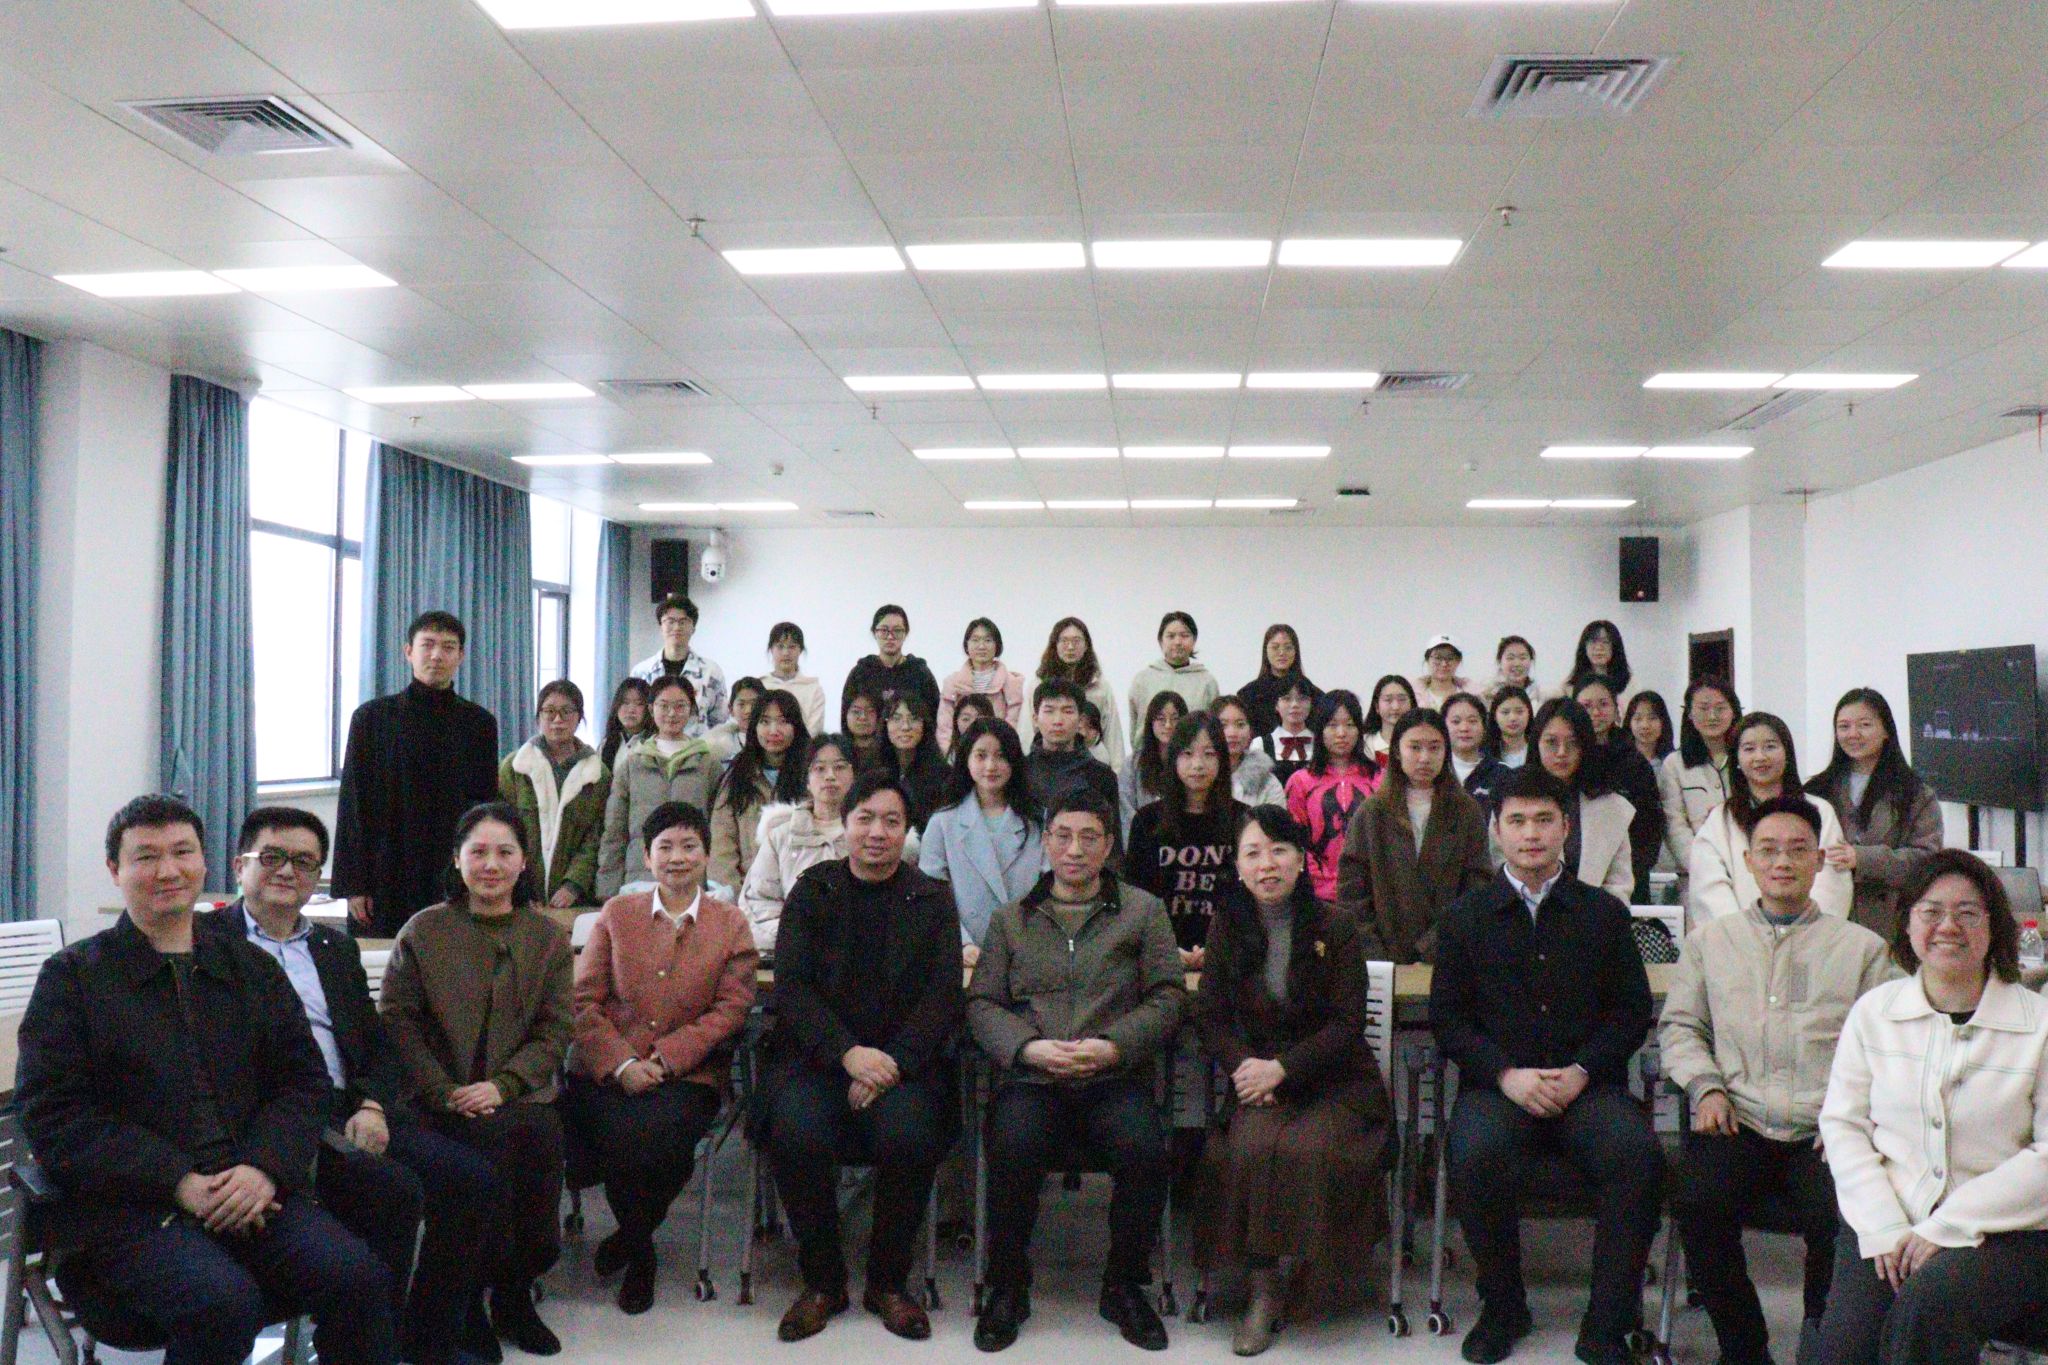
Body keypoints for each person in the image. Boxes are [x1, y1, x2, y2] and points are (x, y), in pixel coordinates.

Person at [17, 796, 398, 1365]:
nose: (168, 870)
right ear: (115, 870)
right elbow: (55, 1117)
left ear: (205, 861)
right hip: (130, 1208)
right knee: (222, 1304)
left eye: (182, 852)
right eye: (146, 857)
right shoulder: (73, 979)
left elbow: (303, 1084)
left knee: (357, 1277)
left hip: (251, 1190)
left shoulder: (250, 968)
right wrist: (177, 1180)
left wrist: (263, 1168)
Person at [214, 807, 499, 1365]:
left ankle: (431, 1336)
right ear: (239, 866)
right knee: (392, 1192)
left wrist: (371, 1102)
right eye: (271, 857)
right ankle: (365, 1345)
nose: (286, 871)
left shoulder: (334, 947)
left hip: (349, 1106)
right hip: (276, 1117)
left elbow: (375, 1043)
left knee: (472, 1180)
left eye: (304, 862)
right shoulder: (207, 945)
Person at [1431, 766, 1661, 1365]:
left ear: (1565, 828)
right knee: (1473, 1153)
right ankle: (1504, 1308)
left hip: (1588, 1085)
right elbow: (1449, 1019)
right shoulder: (1465, 917)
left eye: (1543, 820)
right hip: (1499, 1086)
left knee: (1636, 1154)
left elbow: (1631, 1011)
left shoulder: (1603, 913)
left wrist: (1582, 1070)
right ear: (1496, 831)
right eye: (1516, 821)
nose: (1530, 833)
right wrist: (1506, 1075)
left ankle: (1607, 1324)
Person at [1658, 796, 1895, 1365]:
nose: (1782, 862)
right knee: (1698, 1205)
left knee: (1841, 1217)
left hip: (1825, 1127)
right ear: (1748, 862)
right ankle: (1744, 1347)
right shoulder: (1710, 943)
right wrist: (1705, 1086)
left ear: (1819, 860)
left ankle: (1822, 1343)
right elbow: (1681, 1027)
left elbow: (1889, 1049)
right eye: (1768, 850)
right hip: (1737, 1116)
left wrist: (1853, 1116)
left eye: (1797, 850)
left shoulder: (1862, 949)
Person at [967, 792, 1185, 1355]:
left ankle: (1124, 1284)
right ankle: (1008, 1285)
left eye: (1090, 837)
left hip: (1112, 1076)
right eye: (1063, 835)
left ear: (1109, 846)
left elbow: (1168, 996)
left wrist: (1114, 1046)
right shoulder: (1011, 919)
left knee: (1145, 1149)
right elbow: (982, 1003)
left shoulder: (1143, 912)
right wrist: (1027, 1048)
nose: (1075, 849)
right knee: (1011, 1144)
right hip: (1033, 1078)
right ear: (1046, 842)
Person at [1816, 849, 2048, 1365]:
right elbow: (1843, 1125)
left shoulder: (2039, 1023)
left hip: (2009, 1231)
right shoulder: (1875, 1013)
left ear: (1994, 925)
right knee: (1846, 1349)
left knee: (1931, 1306)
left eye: (1967, 913)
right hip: (1889, 1219)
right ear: (1907, 924)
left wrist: (1945, 1227)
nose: (1949, 926)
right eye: (1931, 912)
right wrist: (1885, 1226)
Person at [755, 773, 964, 1344]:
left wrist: (888, 1064)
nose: (877, 832)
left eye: (891, 821)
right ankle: (823, 1282)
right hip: (819, 1059)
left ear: (907, 831)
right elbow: (792, 988)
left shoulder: (932, 899)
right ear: (844, 824)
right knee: (795, 1130)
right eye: (865, 819)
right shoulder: (813, 890)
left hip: (903, 1066)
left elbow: (943, 997)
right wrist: (848, 1055)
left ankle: (887, 1283)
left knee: (911, 1134)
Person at [1195, 806, 1392, 1356]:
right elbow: (1210, 1017)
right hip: (1257, 1080)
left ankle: (1313, 1270)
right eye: (1253, 853)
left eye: (1279, 850)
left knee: (1311, 1148)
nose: (1267, 864)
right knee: (1250, 1147)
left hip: (1335, 1081)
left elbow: (1347, 1024)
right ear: (1237, 866)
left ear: (1301, 860)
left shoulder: (1336, 926)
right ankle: (1263, 1291)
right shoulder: (1227, 927)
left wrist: (1284, 1068)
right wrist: (1246, 1069)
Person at [379, 803, 573, 1357]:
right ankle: (466, 1301)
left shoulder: (547, 936)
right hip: (435, 1098)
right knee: (483, 1153)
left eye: (504, 852)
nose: (491, 865)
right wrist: (443, 1091)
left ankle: (514, 1293)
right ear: (458, 860)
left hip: (520, 1095)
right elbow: (398, 1021)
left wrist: (504, 1085)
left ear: (523, 862)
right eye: (478, 852)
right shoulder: (424, 930)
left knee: (536, 1142)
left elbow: (556, 1028)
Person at [566, 800, 757, 1314]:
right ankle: (641, 1246)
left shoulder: (731, 924)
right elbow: (583, 1001)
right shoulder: (617, 914)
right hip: (606, 1070)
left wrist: (667, 1059)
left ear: (706, 855)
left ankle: (631, 1241)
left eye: (689, 846)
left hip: (688, 1076)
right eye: (665, 847)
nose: (677, 857)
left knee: (662, 1140)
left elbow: (731, 1009)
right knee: (612, 1132)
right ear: (647, 858)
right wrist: (624, 1063)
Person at [334, 610, 499, 938]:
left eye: (448, 647)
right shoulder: (371, 719)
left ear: (461, 656)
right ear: (408, 651)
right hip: (384, 874)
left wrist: (482, 874)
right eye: (428, 645)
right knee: (383, 963)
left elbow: (484, 809)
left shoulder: (479, 724)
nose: (437, 655)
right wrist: (355, 885)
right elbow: (353, 804)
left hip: (452, 873)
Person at [1337, 709, 1494, 964]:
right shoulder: (1373, 811)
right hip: (1384, 958)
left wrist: (1435, 945)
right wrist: (1375, 953)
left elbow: (1477, 886)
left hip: (1448, 954)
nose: (1424, 758)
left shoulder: (1466, 810)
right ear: (1397, 751)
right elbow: (1352, 888)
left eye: (1434, 748)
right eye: (1415, 747)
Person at [1805, 687, 1945, 941]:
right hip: (1825, 920)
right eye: (1844, 726)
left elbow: (1928, 861)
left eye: (1865, 725)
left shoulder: (1915, 793)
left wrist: (1863, 858)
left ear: (1886, 731)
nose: (1853, 734)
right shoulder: (1817, 790)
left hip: (1889, 924)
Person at [1690, 712, 1852, 924]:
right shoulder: (1720, 819)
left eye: (1770, 746)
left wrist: (1806, 931)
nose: (1760, 757)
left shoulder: (1820, 811)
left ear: (1787, 753)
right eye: (1749, 749)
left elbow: (1831, 881)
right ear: (1736, 758)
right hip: (1740, 937)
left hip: (1809, 936)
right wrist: (1744, 934)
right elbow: (1709, 887)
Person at [1126, 712, 1249, 965]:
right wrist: (1166, 950)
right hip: (1158, 955)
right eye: (1187, 753)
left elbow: (1248, 900)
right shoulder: (1147, 821)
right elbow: (1136, 900)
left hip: (1229, 956)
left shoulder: (1244, 820)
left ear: (1222, 759)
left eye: (1209, 754)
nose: (1198, 764)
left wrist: (1220, 950)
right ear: (1173, 758)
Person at [919, 717, 1045, 957]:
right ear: (965, 759)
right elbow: (932, 895)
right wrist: (963, 943)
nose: (991, 766)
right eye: (981, 755)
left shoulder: (1038, 821)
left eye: (1001, 756)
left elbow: (1049, 888)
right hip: (965, 952)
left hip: (1027, 949)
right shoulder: (942, 823)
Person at [596, 676, 718, 899]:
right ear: (651, 709)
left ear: (692, 710)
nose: (672, 714)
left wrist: (716, 885)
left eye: (680, 706)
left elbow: (717, 830)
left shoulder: (708, 763)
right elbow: (614, 831)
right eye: (664, 706)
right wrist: (608, 890)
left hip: (692, 881)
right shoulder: (632, 764)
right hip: (639, 881)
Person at [740, 733, 856, 951]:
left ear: (855, 775)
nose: (830, 776)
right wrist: (798, 936)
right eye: (819, 768)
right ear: (807, 781)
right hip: (793, 952)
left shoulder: (868, 836)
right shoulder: (780, 837)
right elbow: (758, 904)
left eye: (840, 767)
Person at [499, 680, 608, 909]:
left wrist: (573, 885)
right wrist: (521, 886)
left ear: (579, 717)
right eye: (549, 711)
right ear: (538, 717)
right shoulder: (515, 768)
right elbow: (503, 831)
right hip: (520, 893)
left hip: (576, 898)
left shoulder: (598, 774)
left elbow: (596, 837)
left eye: (566, 711)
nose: (558, 720)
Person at [1530, 697, 1635, 900]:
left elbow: (1619, 884)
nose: (1561, 752)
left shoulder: (1612, 807)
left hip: (1596, 915)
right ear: (1536, 743)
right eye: (1551, 742)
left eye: (1572, 743)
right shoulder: (1514, 802)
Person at [708, 689, 809, 893]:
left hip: (803, 891)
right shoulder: (737, 776)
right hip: (749, 893)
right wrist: (735, 896)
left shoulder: (812, 774)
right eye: (765, 722)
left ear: (796, 727)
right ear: (754, 727)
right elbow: (722, 844)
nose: (773, 731)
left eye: (783, 721)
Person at [1575, 676, 1666, 900]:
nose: (1595, 712)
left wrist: (1632, 867)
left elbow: (1650, 825)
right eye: (1587, 706)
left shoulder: (1634, 762)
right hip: (1575, 873)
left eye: (1603, 704)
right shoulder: (1568, 758)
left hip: (1628, 876)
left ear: (1617, 709)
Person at [1285, 690, 1379, 903]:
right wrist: (1324, 886)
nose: (1341, 733)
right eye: (1332, 725)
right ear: (1320, 730)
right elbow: (1296, 841)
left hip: (1370, 893)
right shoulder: (1300, 781)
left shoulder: (1379, 778)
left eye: (1350, 725)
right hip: (1316, 896)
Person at [1658, 678, 1739, 886]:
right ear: (1689, 714)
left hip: (1746, 870)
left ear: (1733, 711)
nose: (1712, 716)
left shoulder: (1745, 757)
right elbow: (1674, 825)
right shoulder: (1675, 764)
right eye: (1703, 708)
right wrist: (1705, 867)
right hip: (1695, 876)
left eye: (1720, 708)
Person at [1026, 679, 1122, 843]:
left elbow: (1111, 842)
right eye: (1049, 711)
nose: (1058, 720)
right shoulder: (1020, 771)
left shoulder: (1101, 776)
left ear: (1080, 720)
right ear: (1035, 719)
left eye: (1068, 711)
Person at [1026, 616, 1126, 764]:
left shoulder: (1100, 687)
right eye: (1064, 641)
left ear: (1086, 646)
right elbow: (1027, 731)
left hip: (1091, 765)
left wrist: (1118, 771)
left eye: (1077, 641)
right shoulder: (1038, 684)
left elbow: (1113, 734)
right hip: (1046, 765)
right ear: (1054, 645)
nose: (1070, 647)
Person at [629, 593, 728, 732]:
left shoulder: (711, 672)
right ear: (661, 626)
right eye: (670, 621)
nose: (676, 627)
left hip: (698, 745)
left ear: (693, 628)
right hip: (652, 744)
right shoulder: (641, 672)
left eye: (683, 622)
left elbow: (720, 722)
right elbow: (636, 718)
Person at [843, 603, 942, 722]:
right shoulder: (860, 673)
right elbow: (848, 717)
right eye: (884, 630)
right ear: (874, 633)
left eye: (897, 630)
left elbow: (935, 716)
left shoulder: (920, 672)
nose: (890, 637)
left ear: (906, 634)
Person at [1127, 611, 1218, 735]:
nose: (1178, 642)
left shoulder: (1207, 682)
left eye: (1184, 636)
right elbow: (1135, 726)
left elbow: (1213, 730)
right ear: (1160, 641)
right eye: (1171, 636)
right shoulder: (1143, 680)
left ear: (1194, 640)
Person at [937, 616, 1026, 738]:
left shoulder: (1011, 683)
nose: (981, 646)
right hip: (959, 747)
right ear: (966, 645)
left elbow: (1014, 723)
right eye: (975, 640)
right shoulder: (953, 683)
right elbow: (945, 727)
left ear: (997, 645)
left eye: (988, 640)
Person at [1120, 690, 1188, 836]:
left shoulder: (1190, 762)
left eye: (1175, 718)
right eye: (1161, 718)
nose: (1168, 725)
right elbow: (1126, 812)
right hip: (1142, 840)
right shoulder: (1132, 764)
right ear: (1151, 722)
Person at [1237, 625, 1322, 738]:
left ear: (1295, 651)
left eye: (1288, 647)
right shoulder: (1248, 694)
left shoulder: (1312, 693)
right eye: (1275, 647)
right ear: (1265, 651)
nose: (1282, 653)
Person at [885, 695, 952, 832]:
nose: (905, 727)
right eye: (896, 719)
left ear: (924, 725)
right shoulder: (873, 770)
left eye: (914, 719)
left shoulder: (944, 776)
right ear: (885, 724)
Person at [1214, 694, 1286, 806]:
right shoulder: (1198, 776)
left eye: (1240, 725)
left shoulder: (1268, 783)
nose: (1232, 733)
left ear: (1250, 732)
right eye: (1223, 725)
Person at [1445, 691, 1510, 812]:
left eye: (1472, 721)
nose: (1464, 728)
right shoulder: (1436, 770)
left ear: (1484, 727)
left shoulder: (1502, 773)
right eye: (1456, 722)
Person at [762, 622, 827, 734]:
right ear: (771, 649)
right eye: (780, 646)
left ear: (800, 650)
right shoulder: (761, 686)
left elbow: (814, 731)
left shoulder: (813, 689)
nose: (786, 653)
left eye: (792, 647)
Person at [1262, 676, 1318, 786]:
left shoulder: (1321, 743)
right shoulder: (1261, 744)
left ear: (1311, 703)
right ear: (1276, 705)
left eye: (1302, 698)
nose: (1295, 705)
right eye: (1287, 698)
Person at [1360, 674, 1418, 770]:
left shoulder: (1421, 740)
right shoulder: (1365, 743)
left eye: (1402, 699)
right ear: (1377, 707)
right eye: (1388, 700)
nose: (1395, 707)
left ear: (1412, 704)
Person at [706, 676, 765, 766]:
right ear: (731, 709)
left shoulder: (774, 742)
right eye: (741, 704)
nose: (748, 711)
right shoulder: (715, 747)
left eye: (754, 704)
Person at [1563, 620, 1631, 697]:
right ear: (1584, 647)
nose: (1599, 647)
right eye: (1593, 641)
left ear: (1615, 647)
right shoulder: (1569, 688)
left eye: (1605, 642)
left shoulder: (1629, 686)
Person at [600, 677, 654, 772]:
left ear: (649, 708)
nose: (631, 710)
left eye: (639, 704)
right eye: (625, 703)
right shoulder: (606, 745)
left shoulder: (655, 744)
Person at [1483, 636, 1551, 709]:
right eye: (1510, 658)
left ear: (1531, 661)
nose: (1517, 664)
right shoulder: (1487, 696)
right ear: (1499, 662)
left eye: (1522, 658)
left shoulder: (1541, 697)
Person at [841, 681, 889, 775]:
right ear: (845, 715)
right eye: (856, 711)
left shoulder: (889, 753)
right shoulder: (839, 752)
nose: (863, 717)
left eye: (870, 711)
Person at [1414, 634, 1473, 709]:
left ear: (1458, 661)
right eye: (1438, 658)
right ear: (1427, 660)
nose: (1444, 664)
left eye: (1450, 658)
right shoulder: (1413, 695)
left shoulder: (1471, 696)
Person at [1489, 685, 1534, 770]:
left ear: (1529, 713)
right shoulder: (1485, 754)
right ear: (1494, 716)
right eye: (1505, 712)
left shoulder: (1539, 751)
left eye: (1519, 712)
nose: (1513, 718)